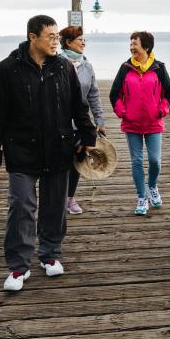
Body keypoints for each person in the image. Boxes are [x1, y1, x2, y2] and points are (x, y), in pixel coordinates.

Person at [0, 15, 97, 292]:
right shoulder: (8, 68)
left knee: (54, 205)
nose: (55, 41)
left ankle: (50, 255)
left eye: (57, 36)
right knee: (21, 205)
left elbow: (78, 106)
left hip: (58, 148)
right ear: (32, 37)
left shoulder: (63, 67)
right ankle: (18, 265)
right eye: (50, 36)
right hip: (21, 149)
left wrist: (88, 136)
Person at [109, 31, 170, 215]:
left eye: (135, 43)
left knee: (155, 161)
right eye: (130, 43)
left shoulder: (159, 67)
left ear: (146, 47)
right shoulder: (125, 68)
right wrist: (123, 112)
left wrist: (161, 111)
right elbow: (115, 94)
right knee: (136, 161)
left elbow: (169, 94)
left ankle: (152, 186)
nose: (131, 47)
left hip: (154, 123)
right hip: (132, 124)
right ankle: (141, 197)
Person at [59, 26, 106, 215]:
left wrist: (99, 119)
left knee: (77, 160)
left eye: (84, 39)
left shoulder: (87, 66)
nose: (84, 42)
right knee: (60, 161)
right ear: (68, 43)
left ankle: (69, 199)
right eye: (80, 39)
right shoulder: (57, 63)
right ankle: (57, 198)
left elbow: (93, 94)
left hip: (80, 122)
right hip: (59, 123)